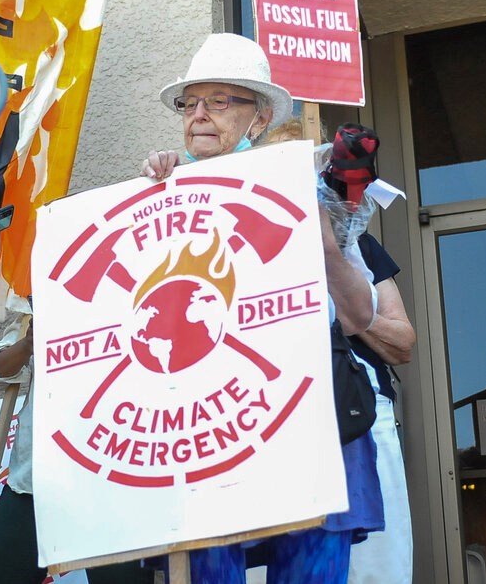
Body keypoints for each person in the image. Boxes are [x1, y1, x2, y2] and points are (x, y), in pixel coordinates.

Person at [142, 32, 383, 584]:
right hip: (210, 420)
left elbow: (351, 273)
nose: (198, 115)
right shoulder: (164, 188)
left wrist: (333, 196)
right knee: (208, 570)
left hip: (305, 411)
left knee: (310, 570)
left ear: (258, 119)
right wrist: (154, 195)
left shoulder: (300, 176)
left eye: (219, 101)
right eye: (190, 103)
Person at [262, 117, 418, 584]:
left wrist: (343, 282)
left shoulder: (361, 247)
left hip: (359, 413)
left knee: (373, 562)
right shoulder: (253, 246)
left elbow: (403, 343)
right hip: (278, 420)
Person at [0, 313, 155, 584]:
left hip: (115, 480)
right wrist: (28, 344)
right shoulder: (53, 295)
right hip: (38, 478)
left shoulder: (138, 302)